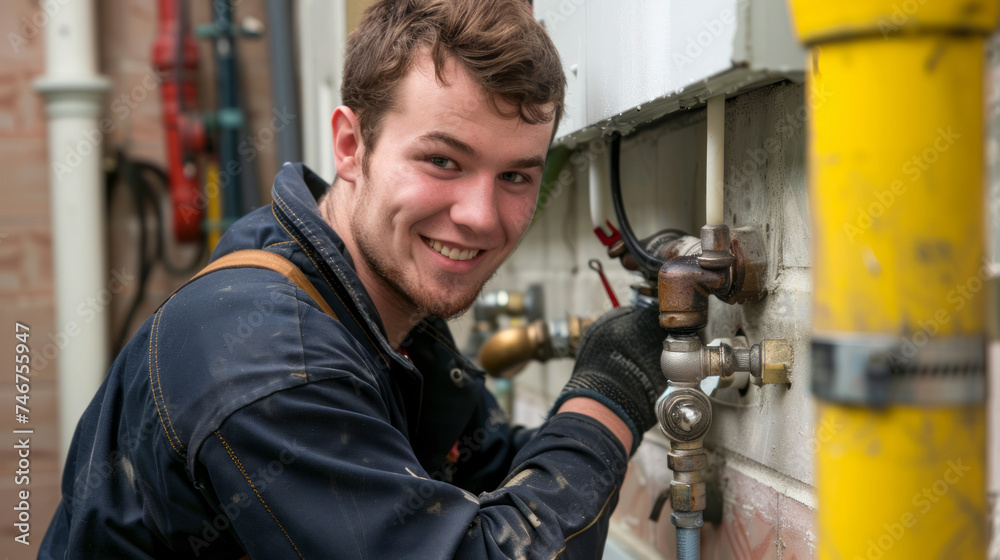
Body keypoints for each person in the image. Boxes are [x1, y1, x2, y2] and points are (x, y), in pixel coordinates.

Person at [40, 0, 667, 557]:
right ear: (350, 145)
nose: (479, 216)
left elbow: (481, 470)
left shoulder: (368, 302)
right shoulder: (267, 359)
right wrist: (608, 395)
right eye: (442, 160)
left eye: (516, 177)